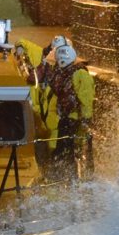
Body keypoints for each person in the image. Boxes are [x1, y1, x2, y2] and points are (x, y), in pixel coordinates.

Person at [45, 36, 95, 182]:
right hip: (67, 118)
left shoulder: (79, 74)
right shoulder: (65, 74)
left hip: (75, 120)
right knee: (65, 152)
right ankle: (65, 178)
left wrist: (85, 120)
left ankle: (71, 179)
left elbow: (86, 99)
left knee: (71, 151)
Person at [14, 38, 60, 168]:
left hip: (50, 116)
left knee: (52, 143)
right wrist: (20, 48)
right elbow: (22, 42)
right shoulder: (42, 58)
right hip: (39, 111)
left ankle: (49, 161)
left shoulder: (64, 74)